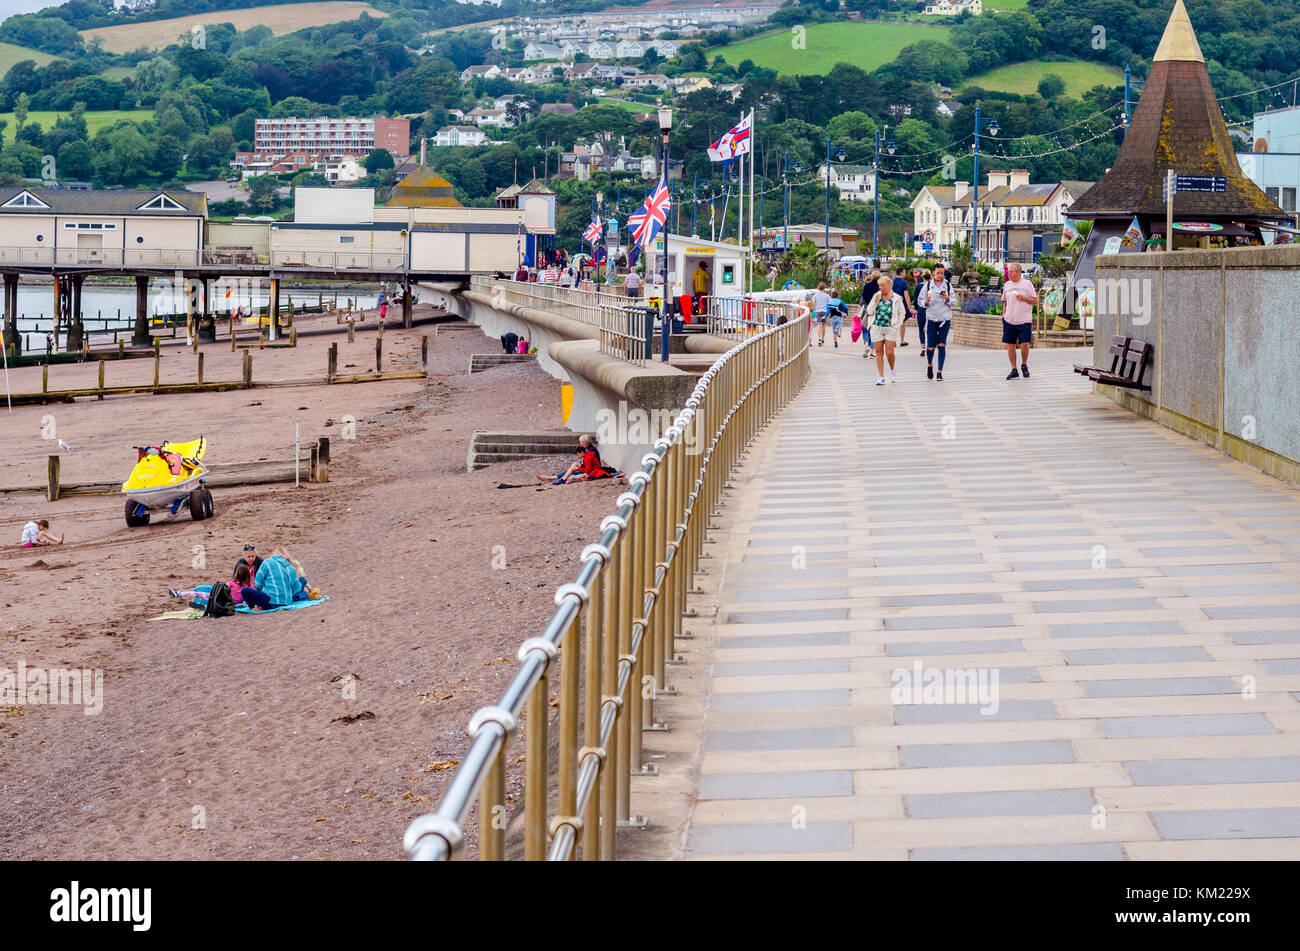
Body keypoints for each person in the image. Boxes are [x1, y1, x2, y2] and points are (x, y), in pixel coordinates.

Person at [1001, 262, 1038, 379]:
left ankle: (1024, 364)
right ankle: (1014, 369)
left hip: (1024, 320)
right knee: (1010, 345)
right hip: (1009, 320)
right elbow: (1005, 301)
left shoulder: (1027, 284)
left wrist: (1023, 298)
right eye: (1009, 272)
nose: (1009, 274)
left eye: (1011, 272)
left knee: (1025, 343)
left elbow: (1035, 301)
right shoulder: (1007, 285)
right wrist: (1004, 315)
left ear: (1018, 272)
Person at [865, 275, 904, 385]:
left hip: (891, 328)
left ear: (889, 286)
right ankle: (881, 377)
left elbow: (902, 312)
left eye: (883, 285)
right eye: (880, 285)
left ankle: (892, 370)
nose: (881, 288)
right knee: (878, 352)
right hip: (877, 327)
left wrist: (898, 324)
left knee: (890, 352)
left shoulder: (896, 298)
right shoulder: (876, 296)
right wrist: (875, 302)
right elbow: (869, 311)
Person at [538, 435, 614, 484]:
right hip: (590, 467)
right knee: (572, 468)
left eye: (583, 442)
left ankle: (556, 478)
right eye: (581, 442)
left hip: (592, 470)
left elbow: (588, 469)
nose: (581, 444)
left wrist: (578, 468)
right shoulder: (587, 449)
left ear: (588, 442)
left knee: (572, 470)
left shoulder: (591, 452)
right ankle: (557, 478)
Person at [922, 267, 954, 382]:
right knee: (930, 347)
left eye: (942, 273)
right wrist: (926, 301)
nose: (940, 275)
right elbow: (920, 300)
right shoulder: (927, 286)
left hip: (944, 318)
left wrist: (947, 298)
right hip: (931, 318)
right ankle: (930, 364)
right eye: (938, 273)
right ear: (933, 274)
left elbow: (954, 301)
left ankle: (939, 372)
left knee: (941, 345)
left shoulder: (948, 286)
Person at [890, 267, 916, 347]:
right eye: (904, 272)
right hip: (902, 304)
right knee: (902, 322)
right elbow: (906, 295)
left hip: (893, 303)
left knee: (893, 322)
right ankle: (901, 340)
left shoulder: (892, 282)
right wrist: (909, 307)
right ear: (901, 273)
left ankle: (893, 341)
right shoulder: (904, 283)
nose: (905, 274)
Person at [809, 282, 832, 346]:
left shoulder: (816, 295)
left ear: (818, 287)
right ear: (824, 288)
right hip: (824, 312)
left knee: (819, 325)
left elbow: (813, 303)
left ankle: (819, 338)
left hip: (818, 311)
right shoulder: (827, 295)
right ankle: (822, 339)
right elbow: (830, 303)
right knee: (823, 325)